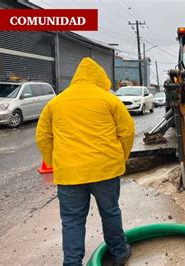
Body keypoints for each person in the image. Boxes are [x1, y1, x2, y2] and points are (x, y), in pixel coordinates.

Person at [36, 57, 135, 266]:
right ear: (100, 78)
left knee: (72, 220)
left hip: (70, 174)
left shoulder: (55, 103)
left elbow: (43, 138)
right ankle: (119, 252)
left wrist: (53, 163)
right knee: (110, 212)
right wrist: (121, 158)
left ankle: (72, 262)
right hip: (105, 170)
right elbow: (127, 132)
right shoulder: (109, 100)